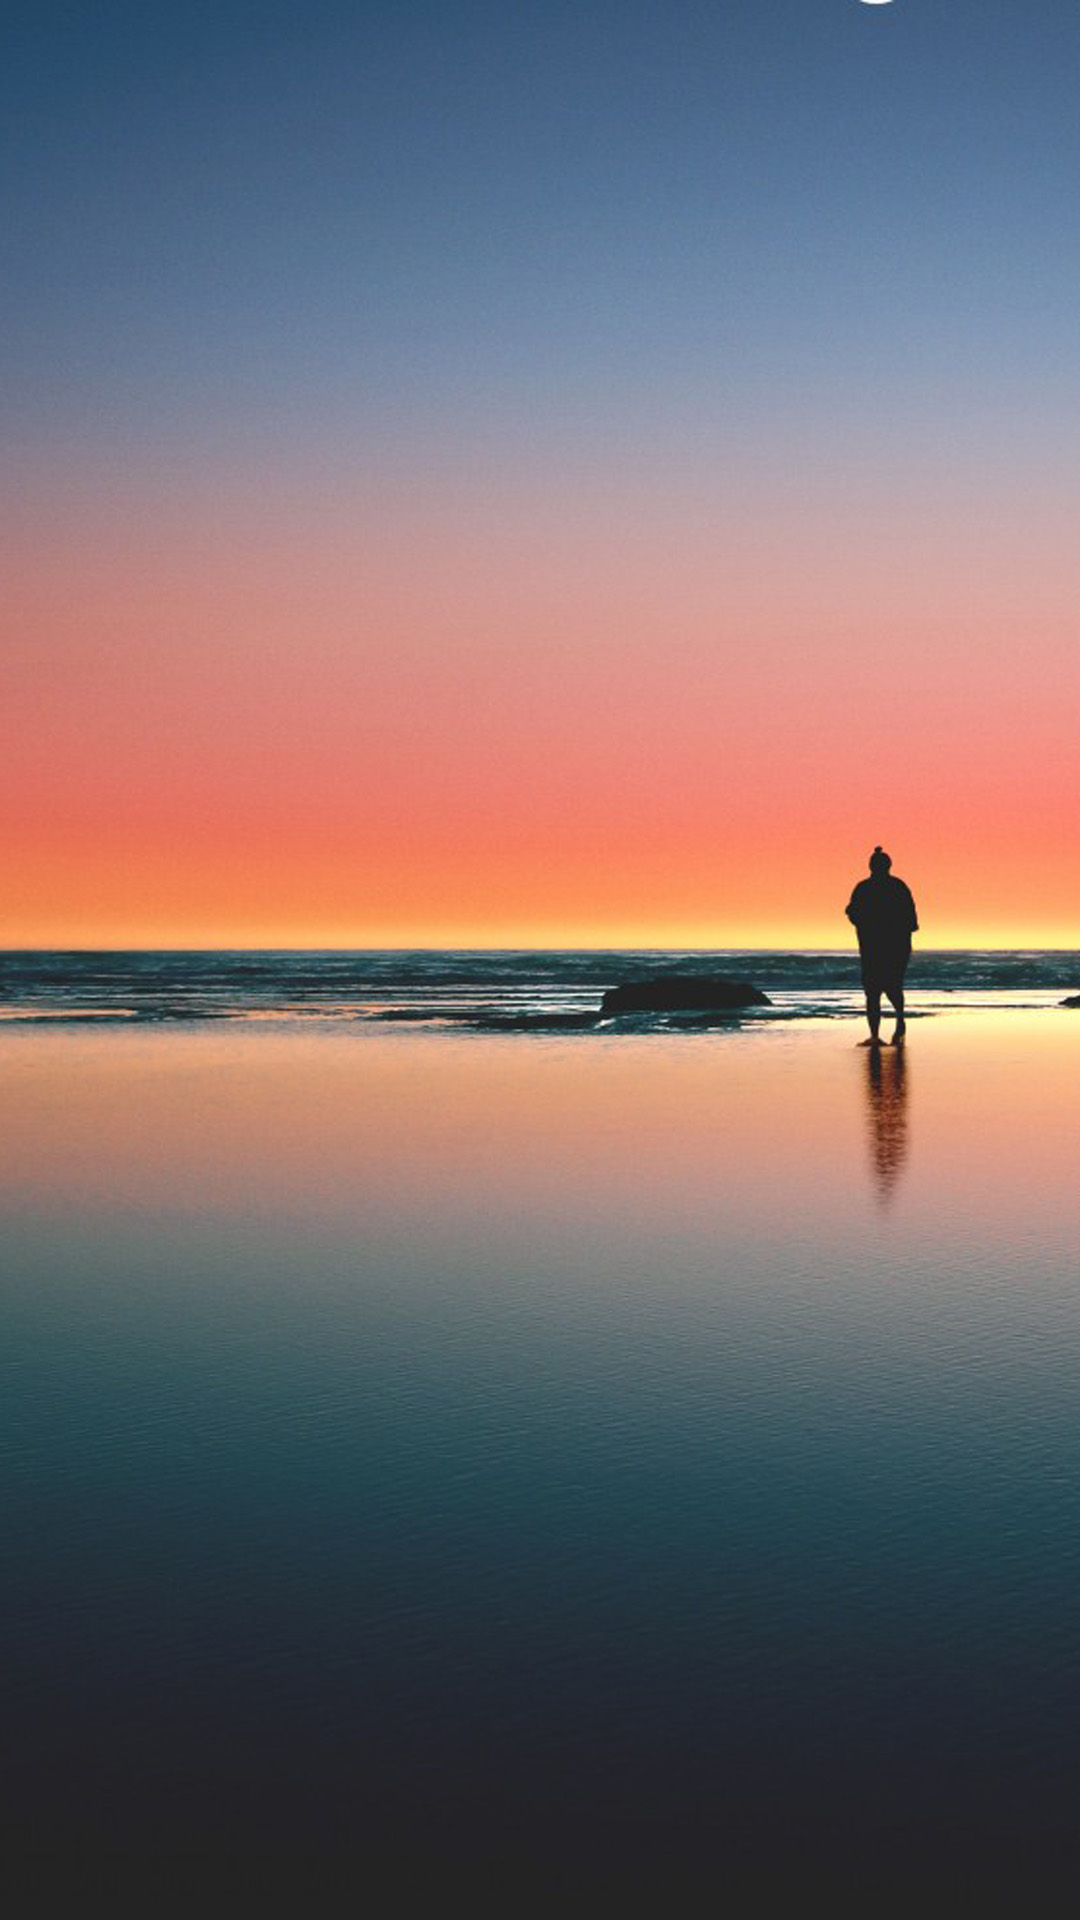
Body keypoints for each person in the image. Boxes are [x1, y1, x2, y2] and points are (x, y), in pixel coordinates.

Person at [845, 847, 918, 1045]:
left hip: (874, 947)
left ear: (871, 866)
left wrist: (869, 924)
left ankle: (878, 1033)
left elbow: (852, 914)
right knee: (890, 986)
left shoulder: (864, 888)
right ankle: (896, 1022)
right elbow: (912, 923)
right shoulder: (898, 886)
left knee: (874, 990)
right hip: (894, 947)